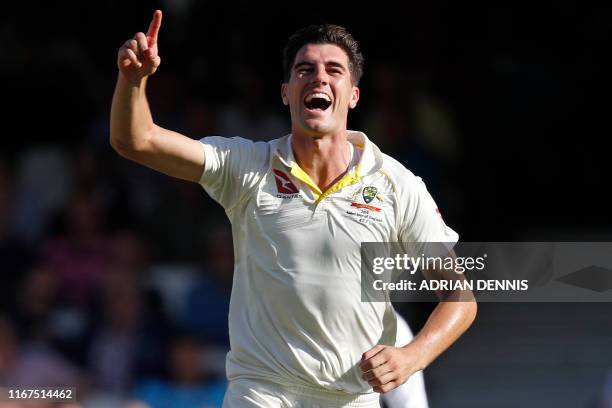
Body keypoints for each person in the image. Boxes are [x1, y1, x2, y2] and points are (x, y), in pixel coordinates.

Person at [110, 10, 477, 408]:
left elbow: (460, 296)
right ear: (285, 91)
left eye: (334, 69)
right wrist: (133, 81)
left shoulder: (397, 184)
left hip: (351, 397)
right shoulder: (247, 166)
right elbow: (137, 140)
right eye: (304, 69)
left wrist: (412, 356)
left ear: (353, 94)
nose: (318, 77)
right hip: (262, 390)